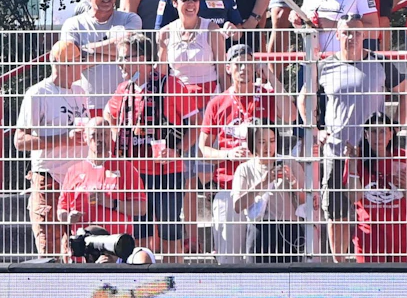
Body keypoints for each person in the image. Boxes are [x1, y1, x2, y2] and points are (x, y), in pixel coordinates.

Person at [104, 33, 200, 261]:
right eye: (119, 58)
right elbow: (108, 113)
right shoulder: (123, 89)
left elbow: (196, 125)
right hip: (135, 175)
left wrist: (177, 151)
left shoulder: (170, 85)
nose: (120, 63)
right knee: (140, 235)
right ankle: (141, 282)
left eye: (126, 58)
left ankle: (174, 283)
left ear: (145, 59)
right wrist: (115, 134)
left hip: (166, 172)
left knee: (170, 232)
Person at [201, 46, 294, 262]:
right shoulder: (217, 102)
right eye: (238, 64)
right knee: (229, 260)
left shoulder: (267, 95)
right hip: (229, 186)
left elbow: (290, 115)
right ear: (228, 68)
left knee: (266, 260)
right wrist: (228, 154)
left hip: (266, 187)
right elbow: (203, 149)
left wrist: (268, 74)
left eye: (249, 63)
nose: (244, 68)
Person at [311, 20, 389, 261]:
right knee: (337, 214)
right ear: (337, 35)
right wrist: (316, 131)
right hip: (337, 152)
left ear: (364, 34)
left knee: (375, 212)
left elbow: (406, 93)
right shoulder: (323, 66)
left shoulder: (380, 62)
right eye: (346, 33)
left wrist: (393, 129)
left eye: (355, 32)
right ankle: (339, 266)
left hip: (371, 153)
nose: (351, 37)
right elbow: (305, 100)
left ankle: (373, 267)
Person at [12, 42, 89, 256]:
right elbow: (20, 141)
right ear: (62, 65)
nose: (81, 67)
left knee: (77, 248)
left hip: (78, 180)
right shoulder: (38, 93)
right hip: (50, 177)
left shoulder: (80, 91)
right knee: (50, 249)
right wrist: (64, 139)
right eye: (76, 62)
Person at [61, 0, 144, 110]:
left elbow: (130, 48)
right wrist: (118, 54)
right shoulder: (73, 24)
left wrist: (87, 50)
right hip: (87, 105)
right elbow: (72, 64)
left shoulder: (130, 19)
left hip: (126, 103)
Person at [350, 118, 407, 263]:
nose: (378, 137)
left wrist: (405, 187)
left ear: (391, 134)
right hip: (369, 236)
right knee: (370, 284)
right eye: (373, 131)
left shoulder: (403, 157)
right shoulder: (356, 159)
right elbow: (354, 197)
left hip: (400, 236)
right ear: (366, 134)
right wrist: (352, 166)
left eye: (383, 131)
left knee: (404, 284)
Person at [230, 125, 305, 263]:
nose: (267, 147)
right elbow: (237, 205)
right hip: (258, 228)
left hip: (288, 228)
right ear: (253, 143)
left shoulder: (290, 163)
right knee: (257, 278)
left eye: (271, 141)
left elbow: (304, 200)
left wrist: (292, 180)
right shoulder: (244, 169)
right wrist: (263, 182)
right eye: (262, 142)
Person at [58, 124, 139, 240]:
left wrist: (112, 203)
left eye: (104, 134)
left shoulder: (125, 168)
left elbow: (141, 209)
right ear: (85, 138)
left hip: (116, 246)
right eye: (94, 135)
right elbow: (62, 209)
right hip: (83, 245)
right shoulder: (73, 171)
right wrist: (68, 218)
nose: (99, 139)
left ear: (111, 137)